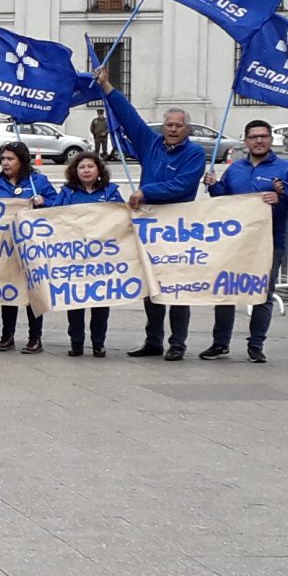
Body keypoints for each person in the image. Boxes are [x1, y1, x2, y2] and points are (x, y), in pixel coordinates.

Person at [99, 73, 206, 360]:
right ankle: (154, 340)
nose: (172, 129)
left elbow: (182, 186)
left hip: (179, 227)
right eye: (169, 125)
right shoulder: (151, 144)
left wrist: (147, 191)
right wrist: (107, 87)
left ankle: (178, 344)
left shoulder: (195, 154)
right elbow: (129, 116)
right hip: (150, 226)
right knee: (152, 287)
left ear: (187, 130)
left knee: (178, 288)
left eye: (178, 126)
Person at [204, 119, 288, 362]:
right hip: (235, 242)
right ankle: (220, 343)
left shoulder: (285, 168)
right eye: (254, 136)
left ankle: (256, 345)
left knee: (263, 294)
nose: (259, 141)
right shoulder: (235, 169)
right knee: (226, 290)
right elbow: (225, 200)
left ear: (270, 139)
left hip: (269, 242)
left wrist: (281, 200)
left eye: (264, 136)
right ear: (245, 141)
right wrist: (214, 187)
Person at [0, 142, 56, 354]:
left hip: (32, 246)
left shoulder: (38, 182)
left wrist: (43, 201)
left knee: (32, 292)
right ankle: (7, 335)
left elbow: (58, 205)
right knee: (7, 289)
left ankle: (34, 337)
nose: (5, 163)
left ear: (22, 160)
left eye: (10, 159)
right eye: (3, 159)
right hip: (4, 246)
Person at [51, 152, 124, 357]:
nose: (86, 170)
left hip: (101, 258)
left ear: (99, 170)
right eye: (81, 167)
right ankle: (76, 342)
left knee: (100, 301)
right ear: (75, 171)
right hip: (74, 256)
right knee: (75, 300)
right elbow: (54, 216)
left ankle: (98, 343)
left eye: (90, 167)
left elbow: (121, 216)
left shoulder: (111, 192)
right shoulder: (67, 192)